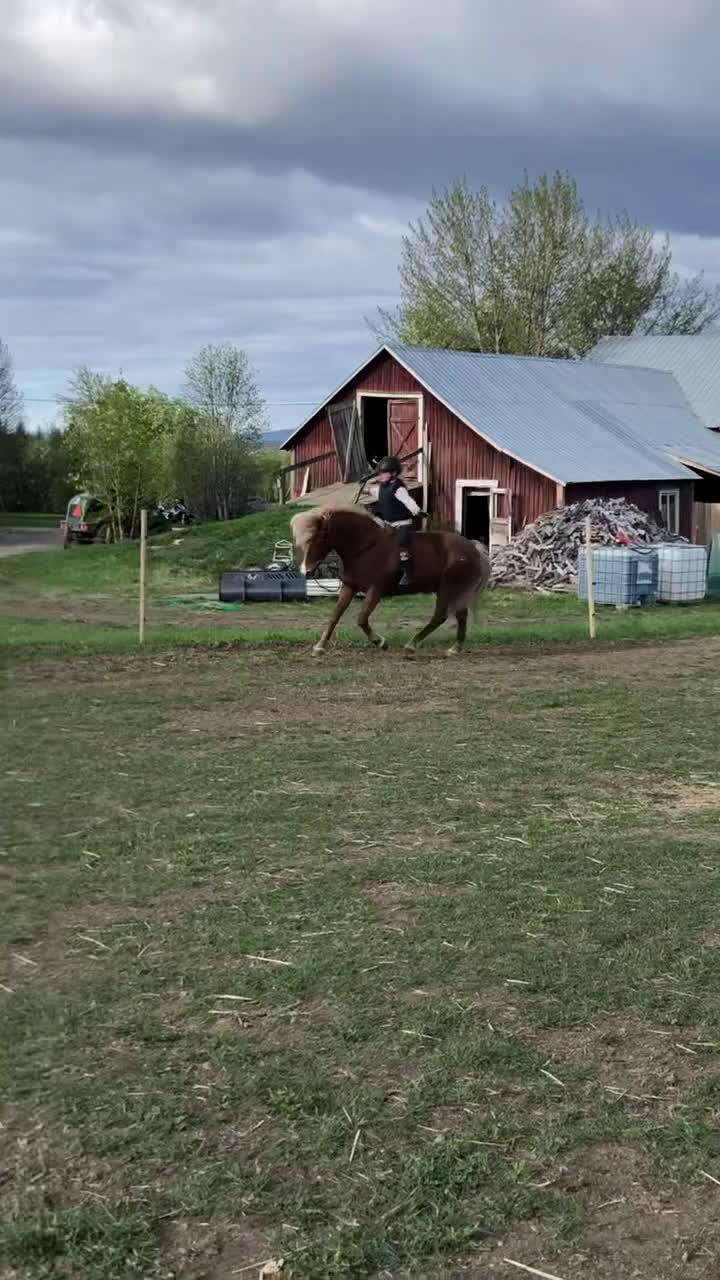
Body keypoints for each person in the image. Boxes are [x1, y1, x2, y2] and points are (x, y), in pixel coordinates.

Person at [371, 456, 426, 588]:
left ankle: (408, 573)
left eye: (384, 472)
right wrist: (364, 487)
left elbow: (408, 502)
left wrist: (417, 511)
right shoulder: (381, 487)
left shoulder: (399, 488)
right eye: (380, 472)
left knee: (402, 544)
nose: (381, 475)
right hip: (388, 522)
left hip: (402, 523)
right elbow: (374, 491)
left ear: (394, 473)